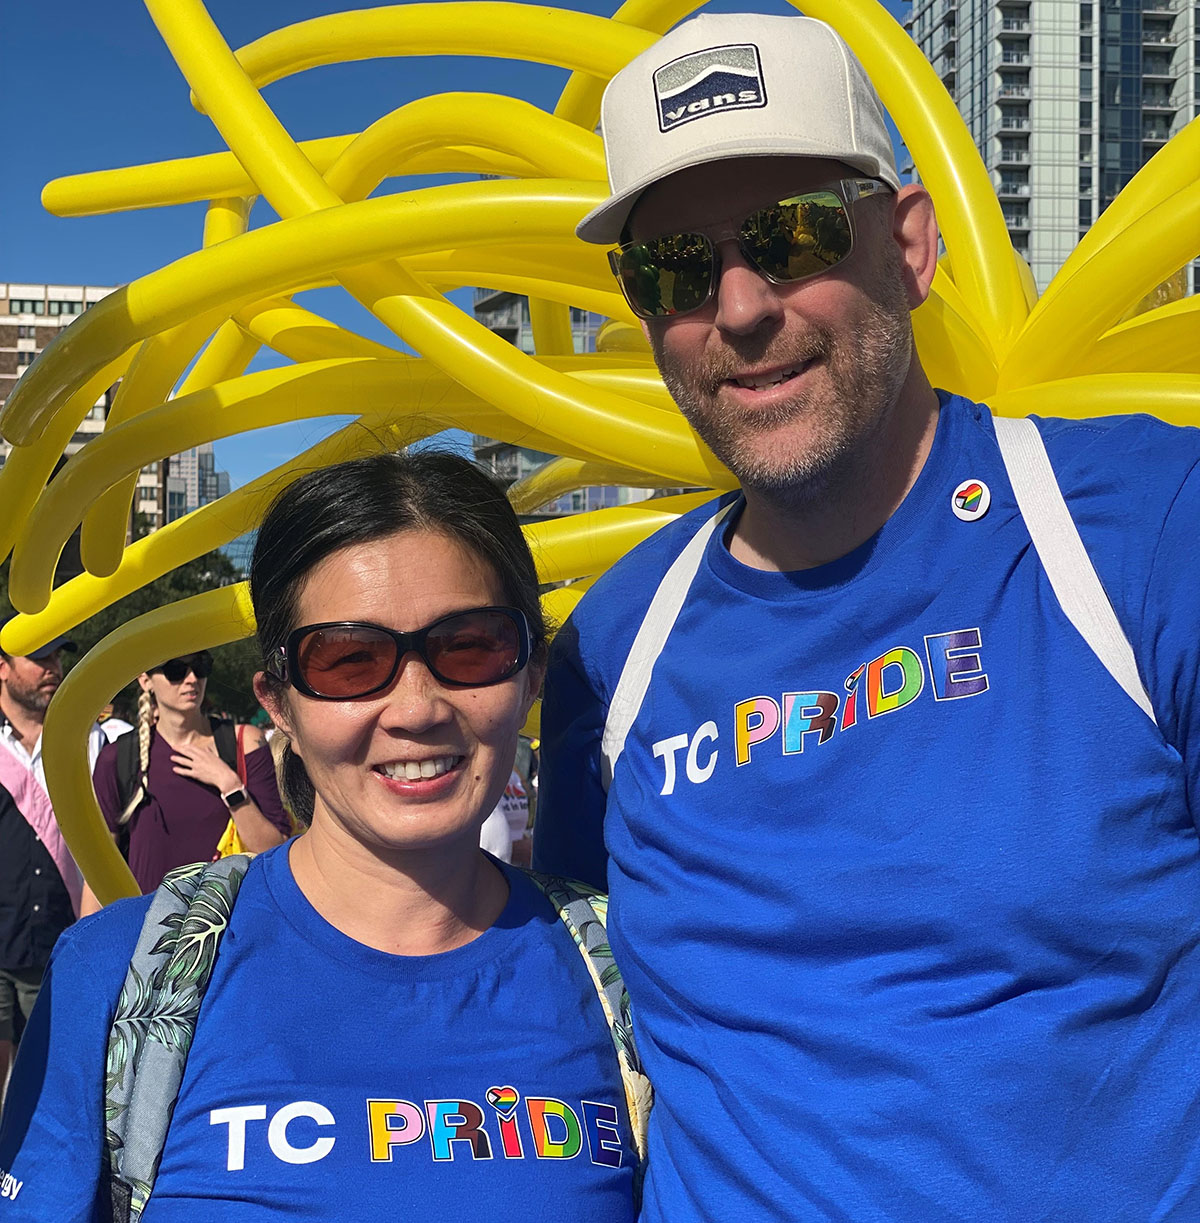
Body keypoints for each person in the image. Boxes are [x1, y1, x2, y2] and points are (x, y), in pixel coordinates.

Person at [534, 12, 1200, 1220]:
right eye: (676, 267)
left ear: (910, 247)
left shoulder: (1148, 530)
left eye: (794, 235)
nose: (739, 308)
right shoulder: (614, 643)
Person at [0, 452, 640, 1219]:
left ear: (530, 675)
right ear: (279, 704)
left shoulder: (629, 969)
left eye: (469, 646)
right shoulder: (113, 975)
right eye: (349, 660)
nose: (416, 707)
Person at [86, 651, 291, 904]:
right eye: (176, 670)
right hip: (146, 934)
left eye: (200, 666)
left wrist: (230, 785)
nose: (192, 678)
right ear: (145, 681)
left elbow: (275, 851)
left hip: (231, 930)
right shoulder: (117, 758)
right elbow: (98, 868)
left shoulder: (244, 743)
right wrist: (87, 938)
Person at [0, 620, 106, 1106]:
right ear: (2, 668)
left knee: (52, 1088)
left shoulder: (95, 743)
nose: (53, 669)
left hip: (63, 940)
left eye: (57, 658)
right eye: (39, 659)